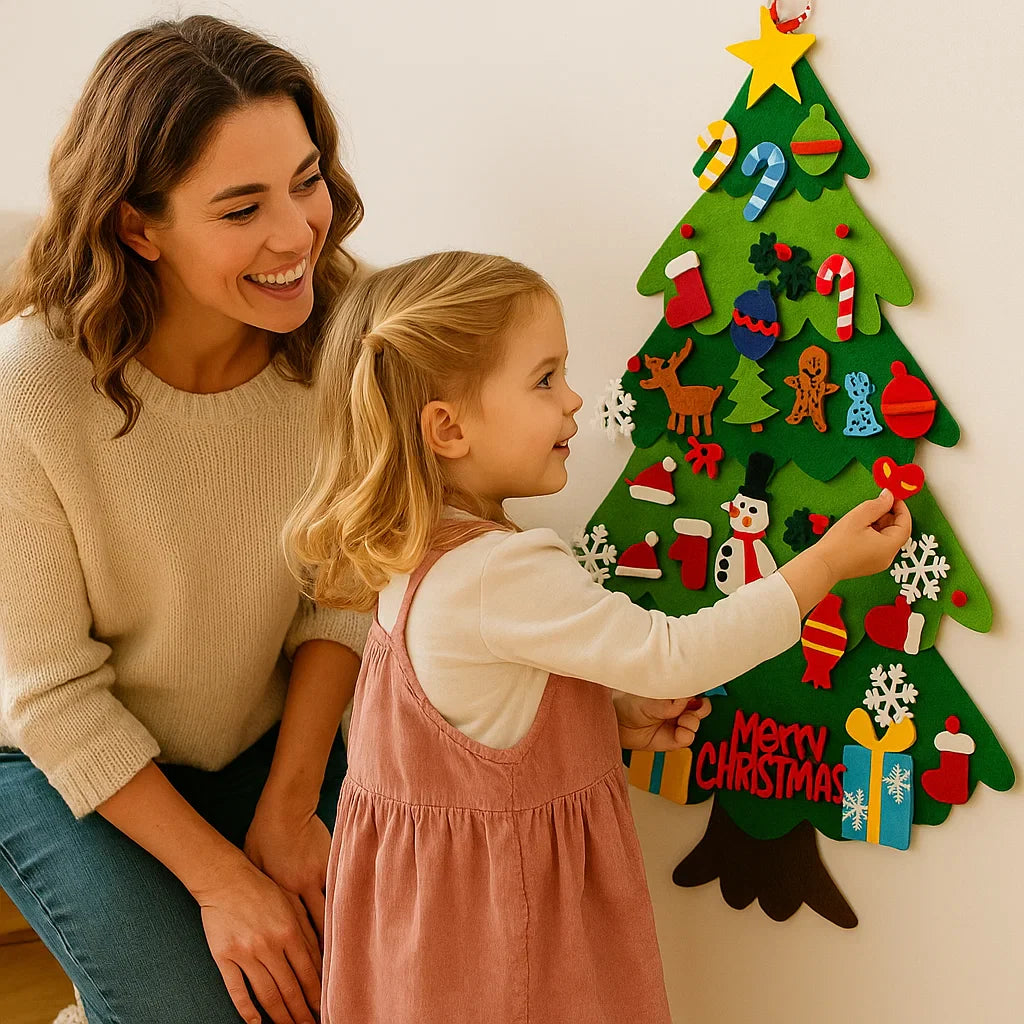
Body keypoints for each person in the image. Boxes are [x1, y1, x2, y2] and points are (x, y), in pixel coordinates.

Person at [285, 250, 914, 1023]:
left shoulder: (411, 556)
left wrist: (601, 722)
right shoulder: (503, 570)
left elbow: (477, 723)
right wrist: (824, 566)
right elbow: (673, 653)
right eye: (545, 379)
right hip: (504, 934)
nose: (576, 400)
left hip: (427, 939)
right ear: (448, 427)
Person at [0, 16, 369, 1024]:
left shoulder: (350, 338)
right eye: (242, 207)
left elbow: (345, 593)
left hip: (261, 733)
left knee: (369, 988)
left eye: (307, 179)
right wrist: (224, 881)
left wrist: (288, 812)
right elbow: (53, 697)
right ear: (137, 226)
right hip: (52, 756)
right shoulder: (27, 390)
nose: (297, 233)